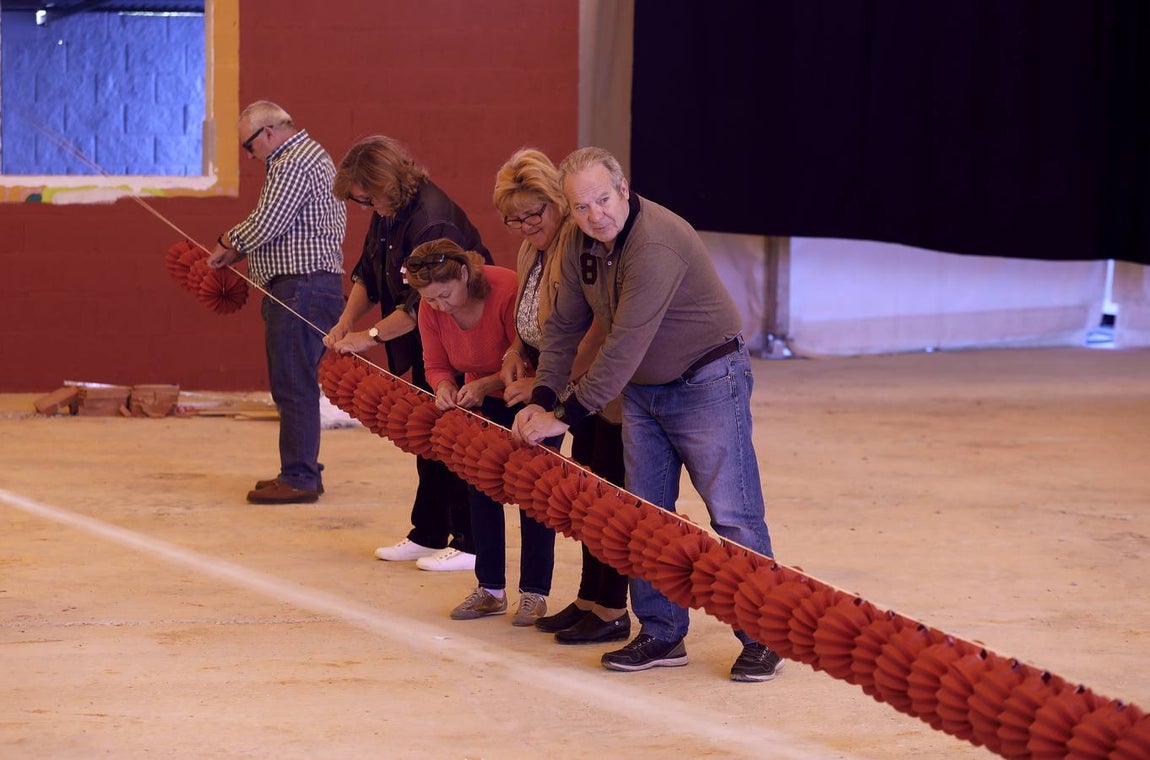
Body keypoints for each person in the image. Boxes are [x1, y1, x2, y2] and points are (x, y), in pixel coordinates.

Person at [510, 146, 783, 682]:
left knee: (733, 514)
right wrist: (543, 397)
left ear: (624, 189)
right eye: (582, 207)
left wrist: (566, 414)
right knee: (645, 514)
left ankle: (764, 638)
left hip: (705, 378)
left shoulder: (657, 242)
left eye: (603, 200)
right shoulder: (576, 238)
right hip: (641, 389)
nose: (595, 216)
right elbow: (564, 326)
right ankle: (661, 632)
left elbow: (626, 344)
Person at [324, 136, 489, 572]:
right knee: (426, 433)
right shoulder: (387, 212)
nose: (365, 206)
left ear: (387, 184)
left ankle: (471, 541)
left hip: (457, 336)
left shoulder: (432, 221)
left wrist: (368, 336)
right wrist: (345, 322)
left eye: (367, 197)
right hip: (420, 341)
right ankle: (429, 533)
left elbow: (423, 305)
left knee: (457, 437)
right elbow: (368, 273)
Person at [492, 148, 631, 644]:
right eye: (515, 219)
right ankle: (590, 599)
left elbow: (590, 327)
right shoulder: (532, 249)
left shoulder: (580, 241)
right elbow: (533, 315)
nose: (527, 225)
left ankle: (613, 607)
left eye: (536, 213)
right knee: (585, 499)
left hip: (595, 390)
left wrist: (548, 387)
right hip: (559, 386)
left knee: (608, 497)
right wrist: (515, 348)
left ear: (557, 202)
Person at [405, 238, 556, 626]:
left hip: (532, 392)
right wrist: (442, 387)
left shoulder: (505, 288)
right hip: (478, 397)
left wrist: (488, 384)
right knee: (481, 487)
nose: (440, 306)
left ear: (464, 274)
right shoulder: (430, 306)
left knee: (534, 492)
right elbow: (434, 362)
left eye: (445, 295)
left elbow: (526, 354)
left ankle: (534, 593)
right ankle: (490, 589)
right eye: (430, 299)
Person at [207, 100, 346, 505]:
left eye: (249, 147)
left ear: (268, 133)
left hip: (300, 288)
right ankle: (300, 470)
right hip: (303, 288)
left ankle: (299, 476)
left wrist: (226, 243)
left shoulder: (293, 161)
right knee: (294, 382)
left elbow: (268, 221)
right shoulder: (300, 157)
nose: (250, 157)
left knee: (293, 384)